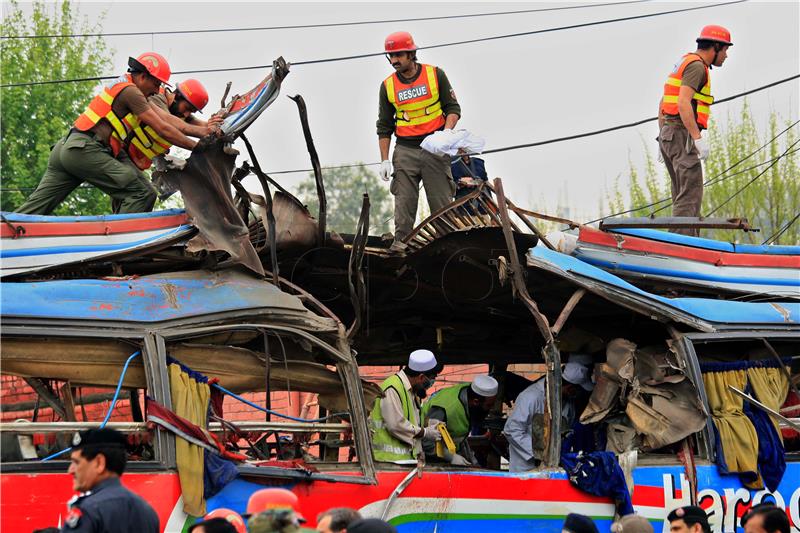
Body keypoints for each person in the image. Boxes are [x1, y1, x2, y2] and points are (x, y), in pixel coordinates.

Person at [17, 52, 199, 216]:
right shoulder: (132, 93)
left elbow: (175, 121)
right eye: (156, 83)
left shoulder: (127, 86)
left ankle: (7, 236)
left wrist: (206, 129)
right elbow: (163, 127)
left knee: (32, 212)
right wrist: (198, 148)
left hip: (67, 148)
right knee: (141, 193)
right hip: (86, 150)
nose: (157, 90)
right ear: (143, 76)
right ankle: (121, 247)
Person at [376, 31, 461, 252]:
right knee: (403, 202)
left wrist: (447, 132)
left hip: (434, 147)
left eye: (399, 55)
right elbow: (384, 126)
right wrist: (384, 160)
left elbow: (453, 109)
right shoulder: (388, 86)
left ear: (411, 53)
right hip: (405, 150)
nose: (394, 61)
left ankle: (446, 248)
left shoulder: (435, 75)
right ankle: (401, 245)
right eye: (391, 56)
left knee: (441, 203)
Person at [657, 25, 733, 236]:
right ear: (715, 47)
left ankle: (683, 240)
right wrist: (697, 138)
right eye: (725, 49)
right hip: (681, 134)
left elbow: (664, 101)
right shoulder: (697, 67)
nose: (726, 55)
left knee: (681, 193)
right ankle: (682, 244)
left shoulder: (683, 62)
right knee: (690, 192)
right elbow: (682, 103)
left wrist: (663, 135)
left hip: (670, 134)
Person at [59, 428, 159, 532]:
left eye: (76, 462)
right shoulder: (147, 512)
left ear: (99, 463)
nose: (70, 470)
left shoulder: (89, 511)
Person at [503, 362, 594, 473]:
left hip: (554, 467)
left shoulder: (568, 403)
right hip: (526, 468)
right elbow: (512, 430)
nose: (578, 395)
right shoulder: (531, 397)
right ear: (570, 388)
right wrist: (540, 453)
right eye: (577, 391)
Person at [369, 349, 443, 462]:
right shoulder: (393, 388)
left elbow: (412, 420)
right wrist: (425, 432)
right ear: (422, 377)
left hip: (405, 461)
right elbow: (396, 425)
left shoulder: (413, 391)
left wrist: (429, 423)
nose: (431, 383)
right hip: (388, 462)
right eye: (432, 378)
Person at [421, 374, 498, 465]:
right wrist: (450, 457)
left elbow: (459, 438)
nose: (491, 409)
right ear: (476, 402)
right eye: (488, 405)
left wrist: (472, 461)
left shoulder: (469, 396)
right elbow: (426, 443)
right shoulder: (444, 408)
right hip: (429, 460)